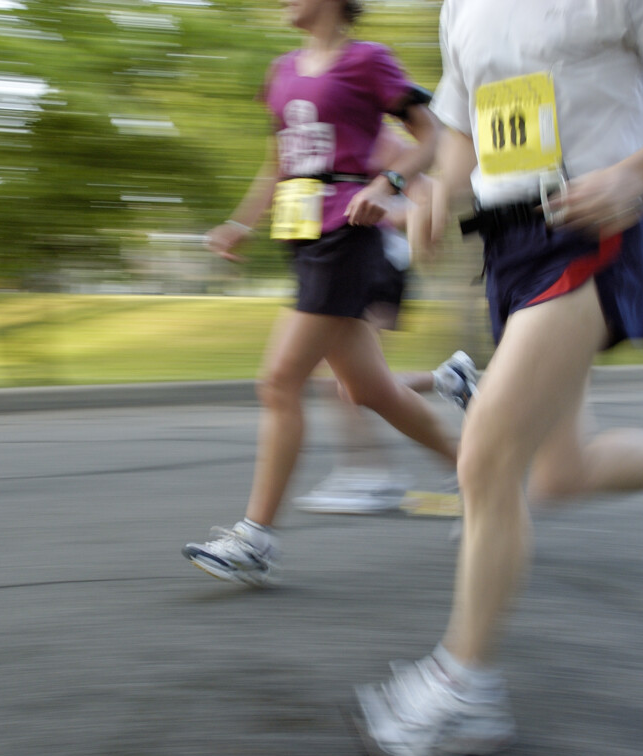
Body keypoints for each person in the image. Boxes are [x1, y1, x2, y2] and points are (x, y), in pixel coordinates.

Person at [354, 0, 643, 756]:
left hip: (592, 224)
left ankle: (464, 689)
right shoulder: (464, 7)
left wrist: (634, 173)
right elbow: (460, 128)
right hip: (508, 244)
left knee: (486, 457)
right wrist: (432, 196)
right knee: (561, 469)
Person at [182, 0, 460, 585]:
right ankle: (483, 477)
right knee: (372, 389)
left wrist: (389, 183)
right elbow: (277, 163)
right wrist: (241, 223)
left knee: (278, 380)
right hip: (300, 235)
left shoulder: (369, 61)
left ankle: (255, 538)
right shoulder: (282, 69)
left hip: (348, 234)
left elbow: (429, 135)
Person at [295, 128, 479, 515]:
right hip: (344, 261)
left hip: (378, 261)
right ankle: (446, 381)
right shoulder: (322, 136)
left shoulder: (379, 137)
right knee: (352, 381)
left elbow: (427, 197)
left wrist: (383, 212)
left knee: (345, 383)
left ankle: (372, 476)